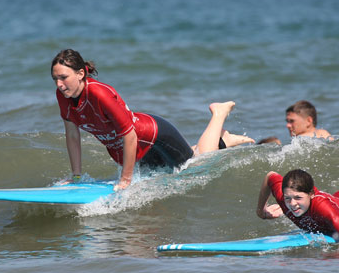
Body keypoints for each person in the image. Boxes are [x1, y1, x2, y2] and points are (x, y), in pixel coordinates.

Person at [51, 49, 254, 190]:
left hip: (155, 136)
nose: (59, 84)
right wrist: (76, 177)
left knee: (194, 169)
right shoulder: (64, 97)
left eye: (63, 77)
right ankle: (223, 141)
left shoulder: (99, 94)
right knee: (173, 174)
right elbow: (72, 135)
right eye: (55, 79)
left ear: (80, 73)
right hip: (134, 151)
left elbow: (129, 134)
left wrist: (126, 179)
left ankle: (218, 115)